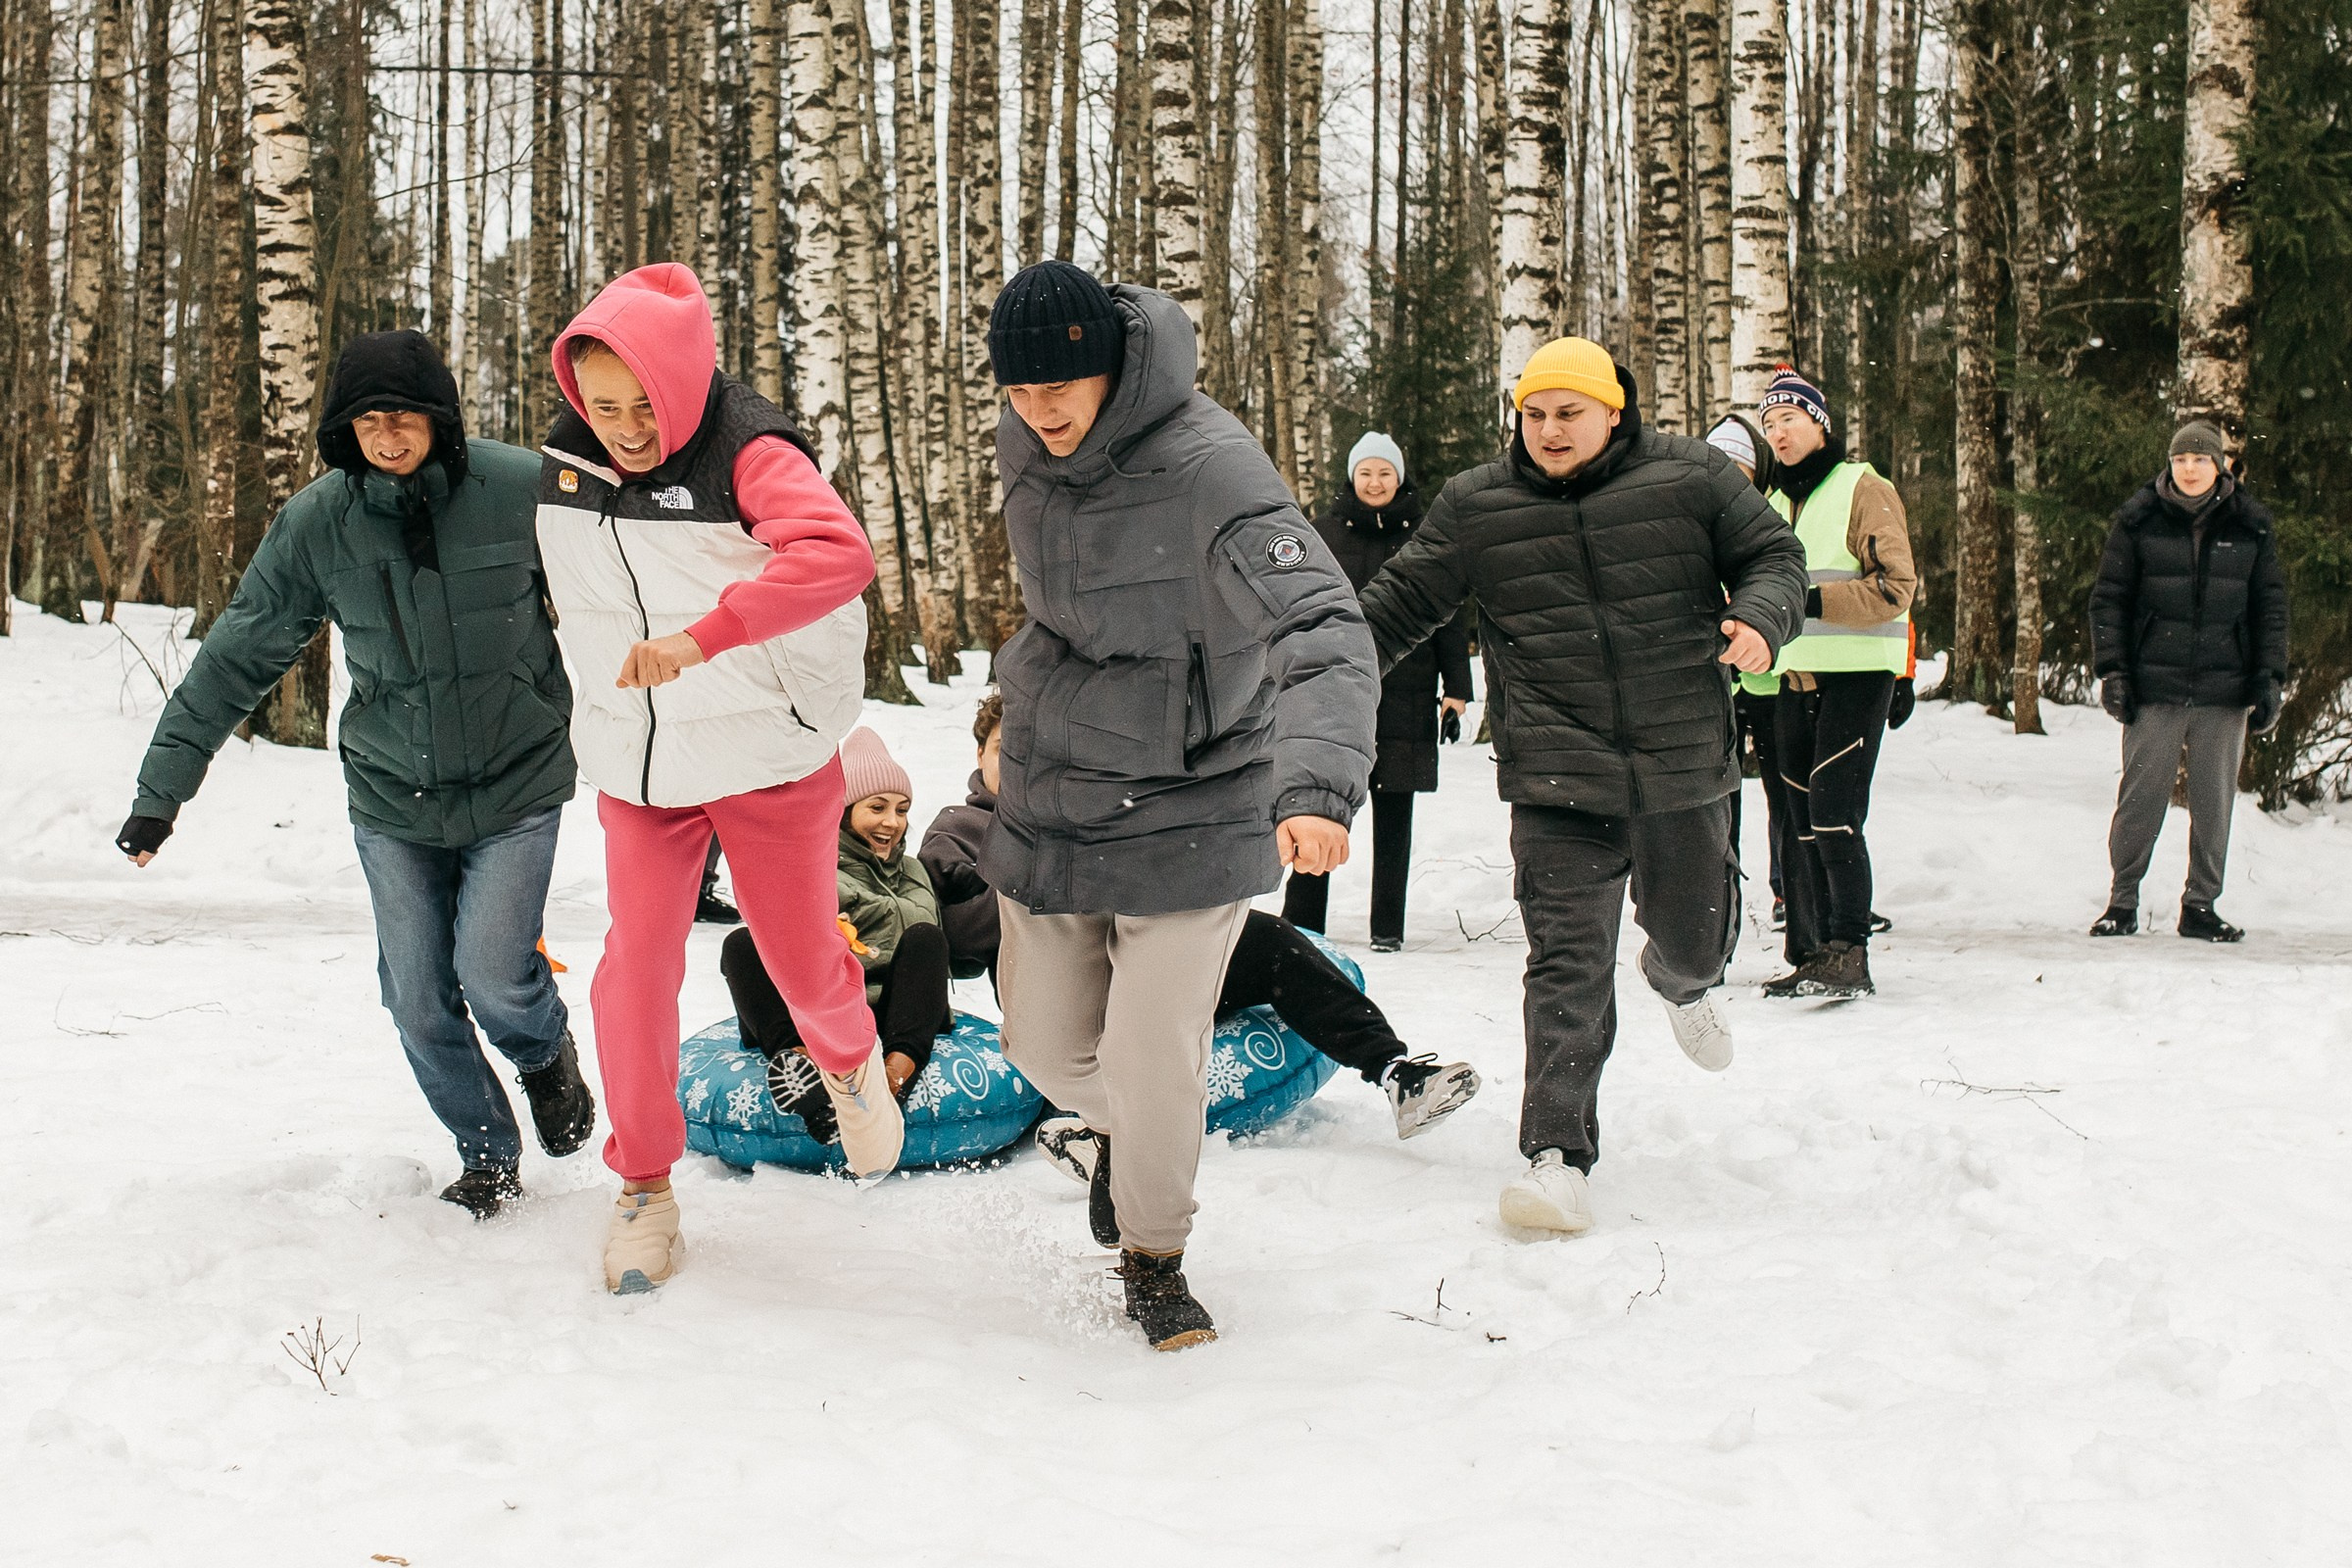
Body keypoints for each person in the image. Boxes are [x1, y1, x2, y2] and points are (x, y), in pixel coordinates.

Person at [983, 261, 1380, 1349]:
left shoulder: (1212, 470)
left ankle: (1155, 1257)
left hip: (1197, 792)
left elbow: (1326, 628)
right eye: (1017, 391)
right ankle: (1132, 1136)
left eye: (1060, 386)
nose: (1041, 411)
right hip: (1060, 781)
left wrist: (1316, 784)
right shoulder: (1026, 443)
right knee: (1045, 1046)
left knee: (1154, 1052)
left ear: (1113, 363)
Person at [116, 330, 594, 1220]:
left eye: (405, 415)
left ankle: (540, 1053)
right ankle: (486, 1151)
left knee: (492, 974)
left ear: (439, 418)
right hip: (392, 794)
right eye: (368, 420)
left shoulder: (523, 489)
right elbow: (236, 655)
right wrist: (161, 794)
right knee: (416, 998)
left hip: (516, 779)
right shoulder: (316, 524)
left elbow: (624, 589)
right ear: (346, 431)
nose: (387, 434)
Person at [1356, 335, 1807, 1237]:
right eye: (1535, 413)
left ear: (1613, 411)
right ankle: (1556, 1157)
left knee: (1692, 942)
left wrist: (1762, 617)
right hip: (1556, 772)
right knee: (1565, 964)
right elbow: (1397, 607)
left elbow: (1775, 558)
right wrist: (1313, 673)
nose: (1551, 430)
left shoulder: (1690, 479)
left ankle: (1683, 984)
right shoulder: (1477, 505)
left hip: (1682, 764)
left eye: (1570, 413)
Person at [534, 263, 897, 1295]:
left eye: (644, 404)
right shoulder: (566, 460)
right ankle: (645, 1185)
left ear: (685, 381)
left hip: (763, 747)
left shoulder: (753, 448)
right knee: (635, 962)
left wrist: (705, 639)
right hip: (643, 760)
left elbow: (837, 553)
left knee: (795, 956)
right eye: (602, 406)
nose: (625, 428)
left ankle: (850, 1058)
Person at [920, 693, 1481, 1157]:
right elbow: (965, 943)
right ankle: (1102, 1134)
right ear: (981, 753)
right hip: (1057, 982)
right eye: (1005, 750)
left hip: (1150, 958)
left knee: (1268, 939)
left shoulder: (1087, 811)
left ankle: (1395, 1071)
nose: (1021, 764)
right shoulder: (960, 829)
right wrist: (1036, 887)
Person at [1749, 368, 1918, 1000]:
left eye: (1789, 419)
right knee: (1797, 820)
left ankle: (1851, 952)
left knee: (1834, 818)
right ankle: (1816, 953)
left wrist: (1811, 600)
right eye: (1769, 425)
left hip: (1856, 679)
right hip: (1792, 679)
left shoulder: (1862, 486)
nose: (1779, 433)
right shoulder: (1770, 501)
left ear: (1819, 423)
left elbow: (1897, 586)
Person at [2086, 419, 2288, 942]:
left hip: (2226, 688)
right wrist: (2113, 671)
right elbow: (2110, 599)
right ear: (2170, 464)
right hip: (2154, 685)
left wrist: (2269, 677)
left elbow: (2270, 608)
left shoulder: (2251, 524)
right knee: (2140, 798)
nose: (2190, 468)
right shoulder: (2138, 520)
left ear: (2220, 464)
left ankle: (2201, 904)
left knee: (2214, 801)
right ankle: (2122, 901)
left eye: (2200, 459)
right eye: (2181, 460)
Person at [1279, 432, 1472, 952]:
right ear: (1352, 477)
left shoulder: (1426, 537)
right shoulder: (1321, 534)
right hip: (1332, 694)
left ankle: (1387, 928)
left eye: (1385, 472)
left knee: (1394, 814)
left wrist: (1457, 688)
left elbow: (1450, 616)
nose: (1375, 481)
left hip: (1406, 692)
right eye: (1366, 472)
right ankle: (1302, 925)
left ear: (1399, 477)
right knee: (1318, 803)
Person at [721, 727, 954, 1141]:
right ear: (845, 811)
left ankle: (888, 1083)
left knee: (926, 939)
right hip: (824, 1013)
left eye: (902, 810)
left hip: (894, 1012)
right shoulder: (813, 866)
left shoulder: (915, 870)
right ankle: (803, 1069)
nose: (892, 822)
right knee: (741, 944)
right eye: (877, 807)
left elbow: (925, 945)